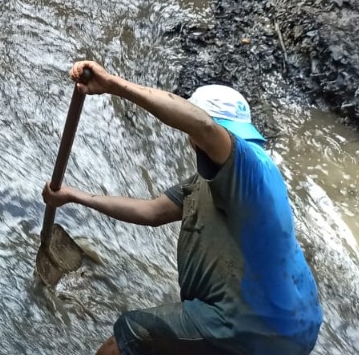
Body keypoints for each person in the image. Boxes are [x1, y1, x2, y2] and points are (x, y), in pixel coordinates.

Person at [42, 60, 323, 355]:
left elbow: (201, 124)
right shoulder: (215, 177)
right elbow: (152, 212)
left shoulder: (247, 166)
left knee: (132, 333)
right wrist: (74, 196)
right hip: (296, 321)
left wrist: (113, 85)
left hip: (256, 323)